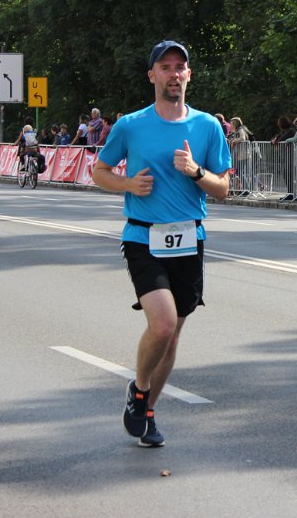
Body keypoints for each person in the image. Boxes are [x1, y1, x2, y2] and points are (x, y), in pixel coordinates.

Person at [93, 39, 230, 449]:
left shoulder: (207, 126)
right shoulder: (131, 125)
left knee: (172, 337)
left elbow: (223, 188)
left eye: (179, 67)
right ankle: (139, 390)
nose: (173, 74)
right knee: (164, 323)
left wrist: (195, 171)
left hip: (189, 238)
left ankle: (147, 411)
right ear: (152, 75)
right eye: (165, 67)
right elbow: (100, 171)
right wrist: (127, 184)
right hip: (143, 236)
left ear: (189, 75)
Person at [227, 117, 255, 193]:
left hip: (243, 154)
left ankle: (246, 189)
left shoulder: (241, 130)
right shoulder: (236, 131)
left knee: (239, 171)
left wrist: (234, 141)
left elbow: (242, 138)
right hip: (240, 154)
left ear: (235, 124)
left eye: (231, 123)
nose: (230, 125)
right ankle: (245, 189)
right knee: (238, 171)